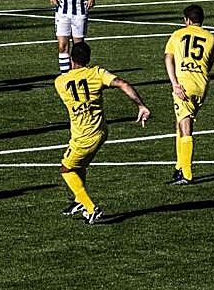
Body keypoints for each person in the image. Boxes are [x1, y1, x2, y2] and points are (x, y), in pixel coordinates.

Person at [56, 41, 150, 224]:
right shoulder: (97, 73)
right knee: (79, 166)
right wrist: (140, 105)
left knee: (66, 169)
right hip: (101, 131)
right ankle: (78, 200)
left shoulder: (60, 83)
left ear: (70, 59)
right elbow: (121, 83)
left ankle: (90, 208)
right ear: (88, 59)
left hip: (83, 136)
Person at [164, 4, 214, 186]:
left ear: (187, 20)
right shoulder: (210, 38)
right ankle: (179, 167)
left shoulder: (177, 35)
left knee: (185, 128)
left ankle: (186, 173)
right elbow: (209, 64)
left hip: (183, 86)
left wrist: (175, 84)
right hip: (201, 85)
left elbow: (168, 58)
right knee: (181, 123)